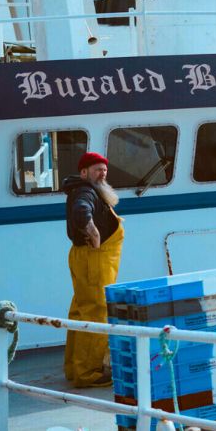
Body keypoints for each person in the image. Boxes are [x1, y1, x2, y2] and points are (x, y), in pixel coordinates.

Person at [62, 152, 124, 388]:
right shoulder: (86, 192)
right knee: (96, 312)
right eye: (97, 169)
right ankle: (89, 373)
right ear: (84, 172)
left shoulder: (85, 190)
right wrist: (94, 233)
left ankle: (74, 367)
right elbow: (81, 211)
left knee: (80, 310)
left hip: (84, 258)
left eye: (104, 170)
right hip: (93, 260)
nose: (102, 173)